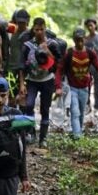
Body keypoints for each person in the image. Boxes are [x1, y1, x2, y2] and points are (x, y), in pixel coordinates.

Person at [56, 28, 98, 139]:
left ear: (85, 39)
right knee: (75, 111)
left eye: (81, 40)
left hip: (84, 88)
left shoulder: (89, 53)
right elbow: (59, 69)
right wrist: (58, 86)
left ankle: (78, 130)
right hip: (72, 87)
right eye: (77, 40)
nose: (79, 43)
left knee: (81, 112)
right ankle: (77, 135)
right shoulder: (69, 53)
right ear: (74, 40)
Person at [19, 18, 61, 148]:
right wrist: (21, 84)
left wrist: (47, 50)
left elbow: (58, 63)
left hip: (47, 80)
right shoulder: (27, 45)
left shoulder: (52, 43)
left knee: (45, 109)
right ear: (33, 29)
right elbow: (21, 66)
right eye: (36, 29)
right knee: (29, 105)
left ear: (45, 28)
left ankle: (43, 138)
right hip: (32, 80)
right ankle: (31, 133)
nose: (39, 32)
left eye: (41, 29)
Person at [83, 17, 98, 115]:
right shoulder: (85, 39)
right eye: (88, 26)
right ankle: (87, 105)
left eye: (91, 25)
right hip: (87, 66)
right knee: (86, 86)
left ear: (95, 26)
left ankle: (97, 107)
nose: (90, 27)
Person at [7, 9, 30, 109]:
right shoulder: (11, 32)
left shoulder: (30, 35)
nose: (21, 25)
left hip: (25, 70)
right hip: (11, 69)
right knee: (11, 97)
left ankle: (22, 120)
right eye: (19, 22)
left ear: (27, 22)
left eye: (23, 23)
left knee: (23, 98)